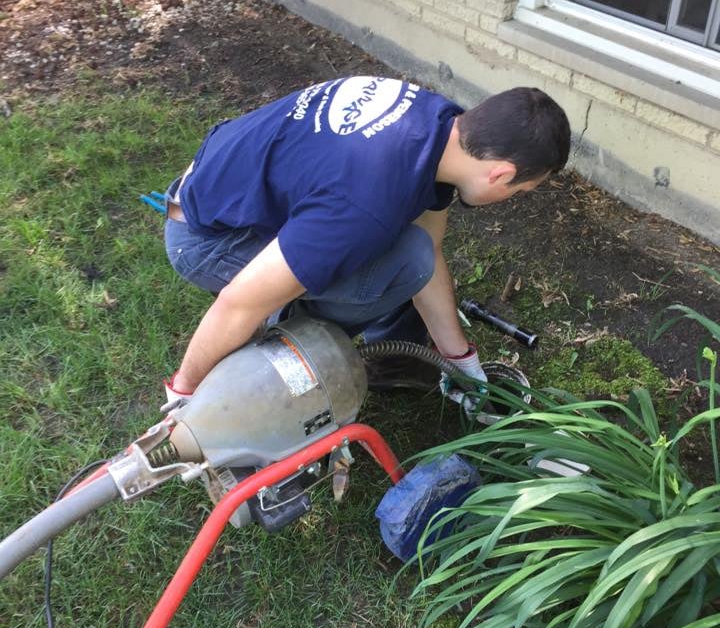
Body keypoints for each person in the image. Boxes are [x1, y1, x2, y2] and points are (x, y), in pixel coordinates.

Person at [161, 76, 570, 405]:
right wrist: (183, 392)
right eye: (520, 191)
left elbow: (430, 245)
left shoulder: (440, 125)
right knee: (399, 263)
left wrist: (460, 359)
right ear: (499, 174)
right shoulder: (364, 203)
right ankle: (288, 352)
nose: (512, 200)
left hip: (220, 185)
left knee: (414, 252)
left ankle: (297, 293)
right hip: (205, 238)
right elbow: (240, 302)